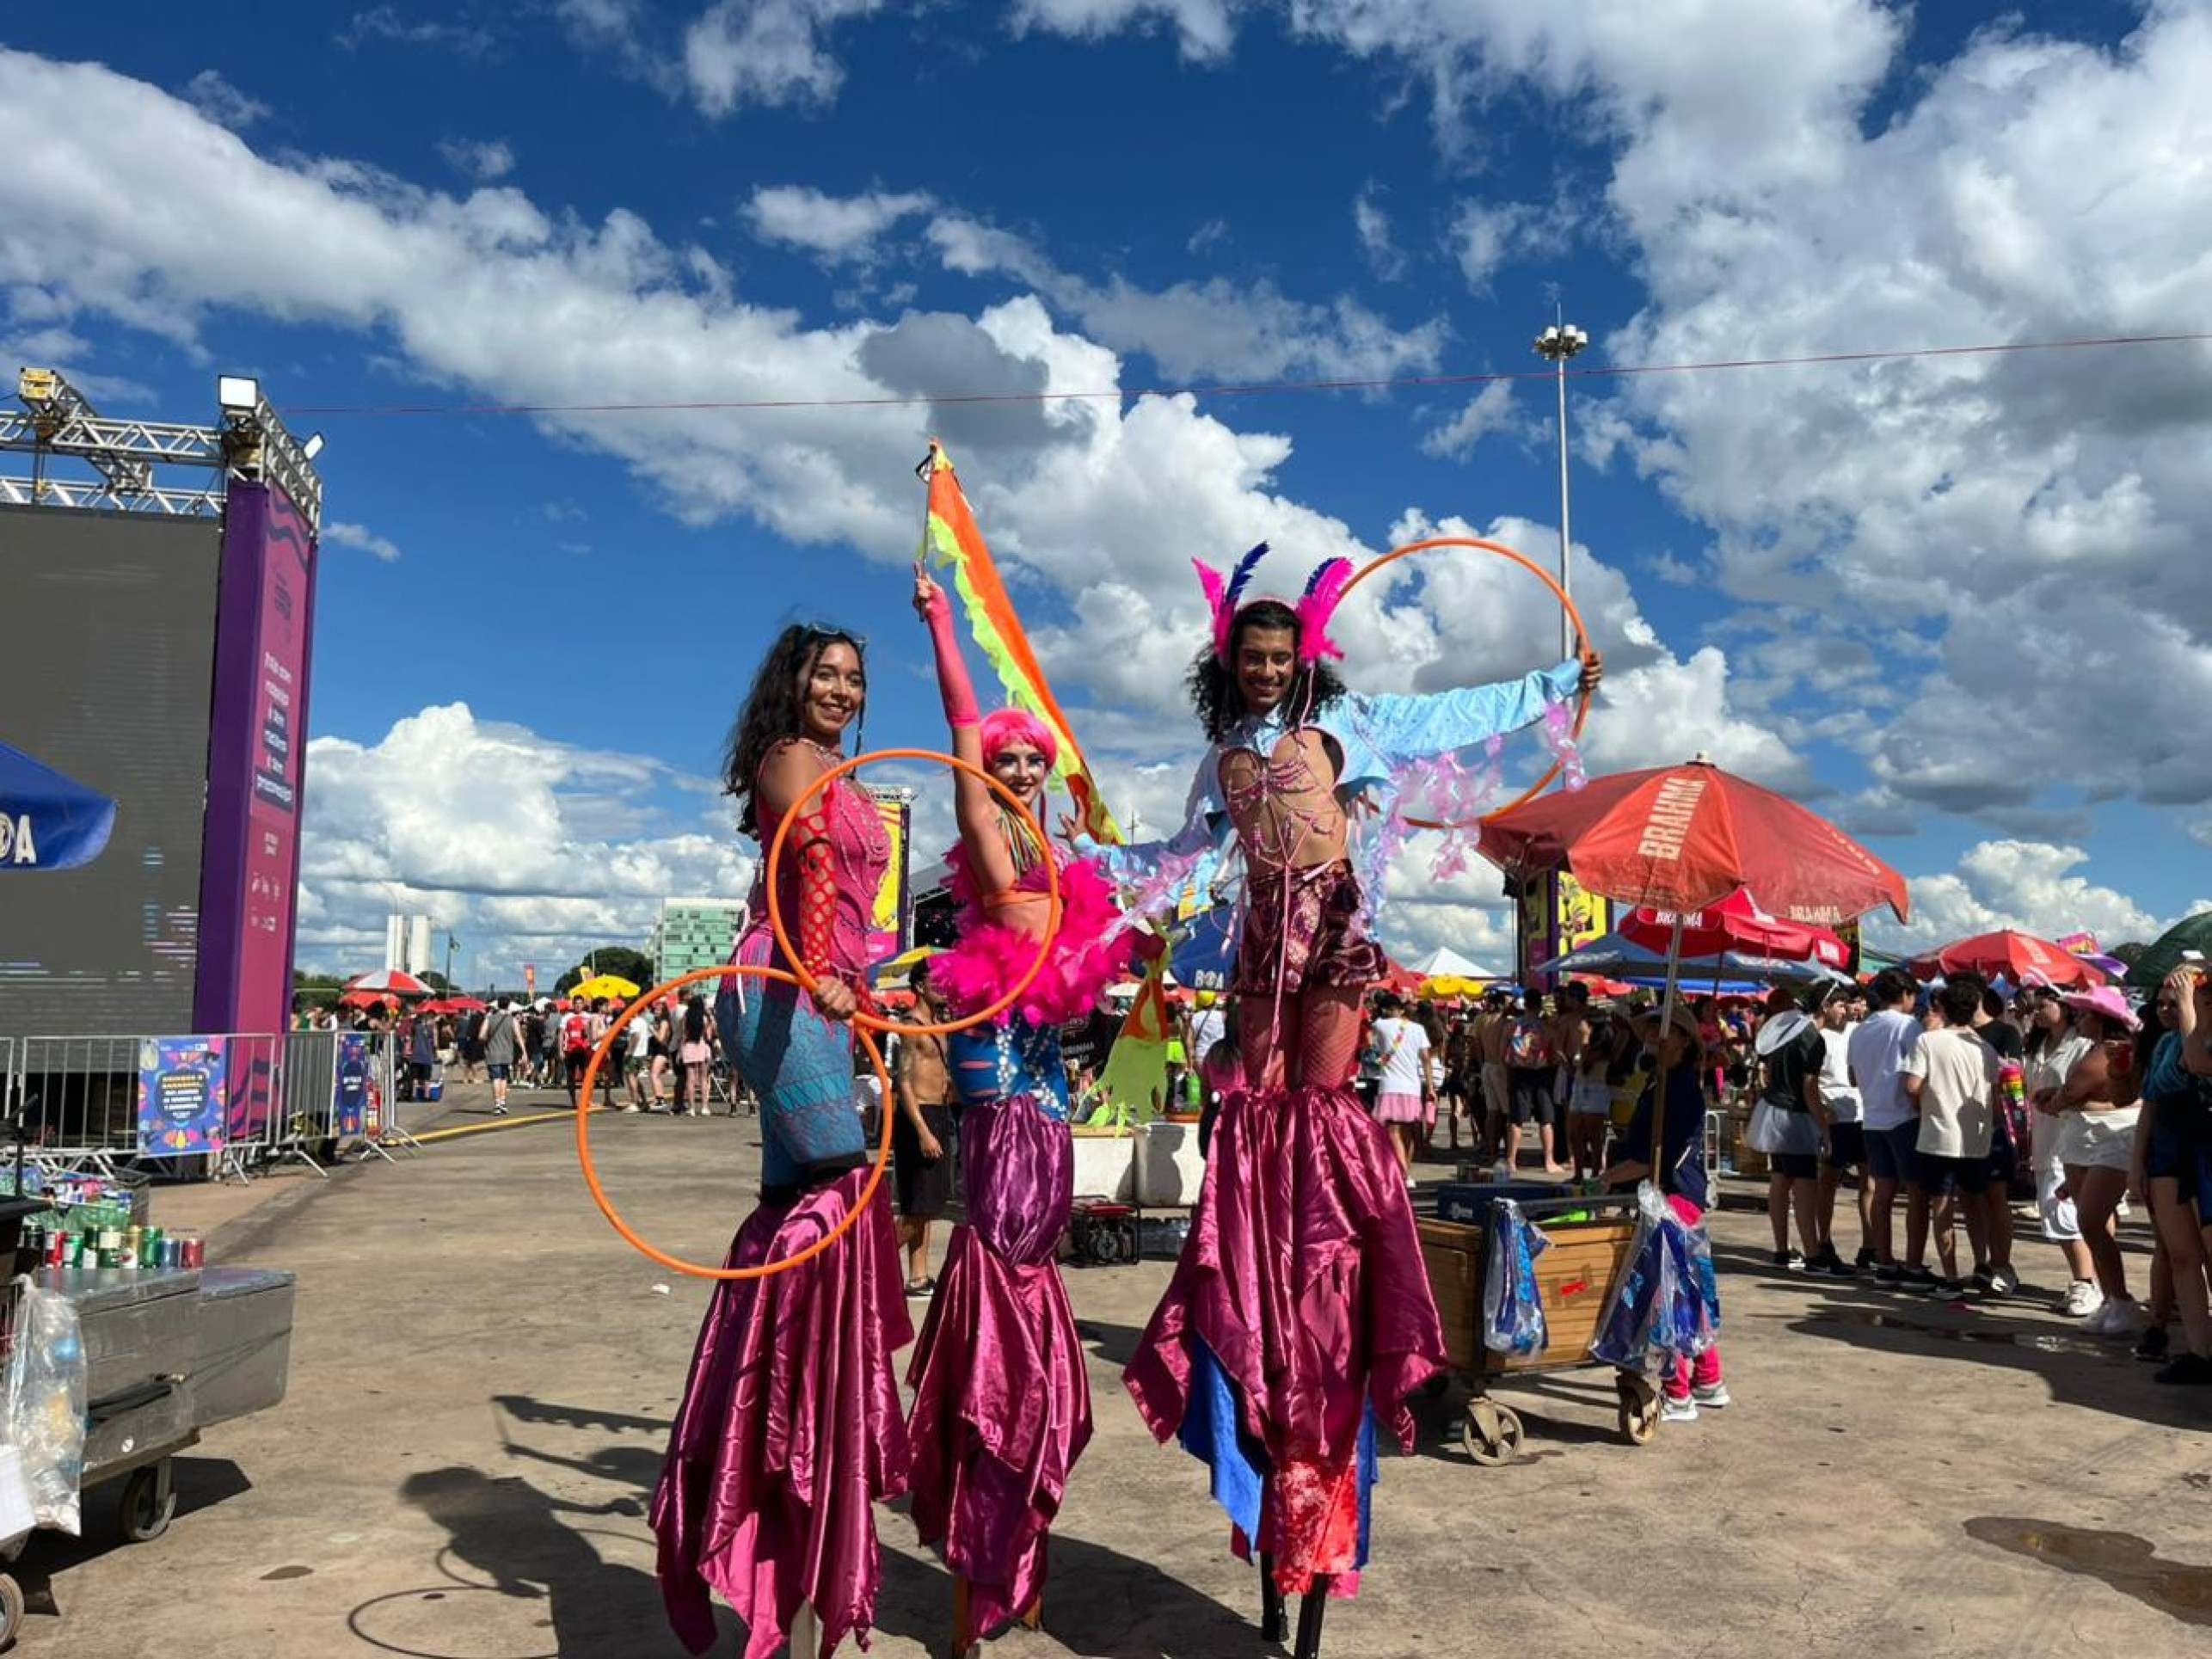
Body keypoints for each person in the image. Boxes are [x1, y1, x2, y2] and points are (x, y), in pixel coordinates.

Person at [1095, 544, 1601, 1651]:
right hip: (1257, 940)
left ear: (1304, 659)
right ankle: (1264, 1198)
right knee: (1260, 1098)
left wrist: (1559, 683)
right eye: (1253, 657)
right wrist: (1090, 860)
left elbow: (1453, 713)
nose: (1268, 670)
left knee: (1320, 1102)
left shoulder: (1349, 724)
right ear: (1228, 662)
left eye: (1282, 657)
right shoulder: (1220, 758)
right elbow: (1179, 857)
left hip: (1330, 925)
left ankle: (1325, 1196)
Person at [650, 623, 912, 1659]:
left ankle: (768, 1430)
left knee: (793, 1210)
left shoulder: (842, 772)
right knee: (842, 1193)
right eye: (824, 674)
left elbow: (848, 904)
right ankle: (799, 1419)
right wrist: (822, 972)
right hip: (784, 988)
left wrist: (861, 985)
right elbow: (808, 863)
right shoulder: (793, 761)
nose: (841, 689)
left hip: (819, 996)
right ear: (791, 685)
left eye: (854, 678)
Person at [903, 568, 1127, 1647]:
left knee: (1034, 1250)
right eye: (1008, 760)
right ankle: (986, 1475)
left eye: (1033, 758)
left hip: (1042, 1068)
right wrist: (944, 624)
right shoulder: (987, 827)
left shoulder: (1052, 845)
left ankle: (1019, 1519)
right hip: (996, 1065)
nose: (1023, 770)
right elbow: (959, 721)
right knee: (999, 1252)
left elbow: (1101, 937)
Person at [1603, 999, 1728, 1422]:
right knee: (1686, 1290)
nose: (1655, 1037)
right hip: (1660, 1192)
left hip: (1675, 1197)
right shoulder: (1660, 1082)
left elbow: (1660, 1154)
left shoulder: (1681, 1089)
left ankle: (1678, 1392)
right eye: (1652, 1029)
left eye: (1666, 1030)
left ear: (1683, 1041)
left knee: (1666, 1294)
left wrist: (1610, 1176)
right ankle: (1709, 1380)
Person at [2051, 986, 2146, 1336]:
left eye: (2085, 1014)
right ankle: (2112, 1300)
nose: (2078, 1019)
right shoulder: (2092, 1047)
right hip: (2084, 1140)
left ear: (2100, 1018)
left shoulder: (2111, 1050)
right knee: (2093, 1224)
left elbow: (2073, 1090)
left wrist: (2054, 1100)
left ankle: (2121, 1298)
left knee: (2090, 1220)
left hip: (2111, 1139)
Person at [2136, 965, 2212, 1384]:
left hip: (2204, 1144)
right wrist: (2137, 1164)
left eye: (2177, 1000)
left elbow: (2197, 1062)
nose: (2168, 1008)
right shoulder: (2166, 1042)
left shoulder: (2196, 1036)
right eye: (2161, 1003)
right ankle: (2199, 1352)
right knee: (2180, 1253)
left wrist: (2189, 1010)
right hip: (2169, 1148)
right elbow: (2150, 1101)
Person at [1900, 981, 2000, 1295]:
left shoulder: (1928, 1041)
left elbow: (1912, 1086)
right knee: (1975, 1203)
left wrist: (1926, 1098)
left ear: (1941, 1007)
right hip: (1976, 1138)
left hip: (1938, 1135)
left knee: (1942, 1206)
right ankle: (1982, 1264)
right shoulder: (1985, 1048)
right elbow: (1995, 1094)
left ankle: (1951, 1277)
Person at [2024, 988, 2107, 1318]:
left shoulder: (2083, 1045)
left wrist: (2057, 1097)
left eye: (2043, 1005)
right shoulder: (2039, 1044)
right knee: (2056, 1213)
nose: (2036, 1011)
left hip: (2075, 1140)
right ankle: (2089, 1281)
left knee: (2065, 1213)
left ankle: (2086, 1281)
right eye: (2034, 1006)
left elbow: (2086, 1091)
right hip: (2045, 1138)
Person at [1848, 968, 1931, 1288]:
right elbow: (1918, 1072)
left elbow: (1853, 1076)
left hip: (1872, 1118)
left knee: (1882, 1193)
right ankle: (1913, 1265)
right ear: (1906, 994)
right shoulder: (1908, 1026)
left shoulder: (1861, 1029)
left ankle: (1884, 1261)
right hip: (1904, 1116)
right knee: (1917, 1193)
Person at [1755, 986, 1828, 1270]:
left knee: (1780, 1178)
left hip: (1773, 1110)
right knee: (1804, 1184)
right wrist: (1824, 1126)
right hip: (1797, 1115)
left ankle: (1782, 1250)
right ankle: (1813, 1254)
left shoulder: (1781, 1033)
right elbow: (1810, 1089)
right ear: (1824, 1007)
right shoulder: (1811, 1038)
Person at [892, 962, 955, 1294]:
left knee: (927, 1204)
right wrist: (922, 1131)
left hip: (939, 1112)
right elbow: (903, 1082)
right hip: (918, 1116)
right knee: (917, 1206)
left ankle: (918, 1276)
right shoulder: (910, 1026)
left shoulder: (941, 1025)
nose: (943, 986)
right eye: (936, 981)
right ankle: (871, 1259)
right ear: (919, 986)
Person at [1963, 979, 2025, 1295]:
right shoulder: (1952, 1034)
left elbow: (2014, 1083)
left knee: (1996, 1197)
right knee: (1969, 1198)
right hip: (1961, 1128)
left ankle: (2002, 1264)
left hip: (1995, 1127)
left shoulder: (2005, 1033)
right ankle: (1981, 1264)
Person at [1810, 984, 1868, 1275]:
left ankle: (1871, 1245)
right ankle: (1823, 1241)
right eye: (1841, 1004)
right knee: (1828, 1183)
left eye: (1850, 1004)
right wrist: (1822, 1112)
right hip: (1833, 1116)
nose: (1848, 1010)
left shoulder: (1859, 1032)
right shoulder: (1817, 1036)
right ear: (1826, 1006)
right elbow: (1811, 1081)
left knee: (1870, 1183)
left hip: (1863, 1114)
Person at [1367, 993, 1435, 1178]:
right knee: (1408, 1132)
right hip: (1413, 1087)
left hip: (1390, 1086)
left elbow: (1369, 1041)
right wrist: (1430, 1087)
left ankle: (1403, 1173)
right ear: (1401, 1010)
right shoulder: (1418, 1028)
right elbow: (1426, 1059)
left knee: (1393, 1131)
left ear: (1384, 1010)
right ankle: (1406, 1171)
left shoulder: (1379, 1025)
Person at [1504, 997, 1564, 1176]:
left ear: (1525, 1006)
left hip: (1519, 1074)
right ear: (1539, 1006)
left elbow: (1503, 1054)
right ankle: (1549, 1161)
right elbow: (1555, 1055)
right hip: (1542, 1075)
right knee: (1546, 1120)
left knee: (1516, 1120)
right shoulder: (1547, 1027)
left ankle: (1511, 1161)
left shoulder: (1513, 1026)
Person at [1566, 1010, 1615, 1183]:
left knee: (1594, 1134)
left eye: (1583, 1022)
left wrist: (1585, 1038)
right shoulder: (1584, 1043)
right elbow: (1578, 1063)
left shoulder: (1601, 1046)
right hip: (1580, 1087)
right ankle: (1578, 1173)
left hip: (1596, 1089)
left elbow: (1585, 1060)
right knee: (1575, 1133)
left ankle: (1595, 1173)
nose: (1579, 1025)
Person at [482, 998, 523, 1116]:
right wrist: (524, 1052)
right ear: (508, 1006)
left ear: (497, 1005)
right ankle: (503, 1103)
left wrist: (488, 1040)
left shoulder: (489, 1019)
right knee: (504, 1078)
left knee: (496, 1078)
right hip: (507, 1053)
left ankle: (497, 1104)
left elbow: (481, 1035)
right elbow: (519, 1037)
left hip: (492, 1053)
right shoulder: (513, 1020)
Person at [677, 994, 714, 1117]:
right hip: (701, 1045)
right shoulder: (705, 1018)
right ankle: (704, 1107)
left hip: (689, 1046)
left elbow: (684, 1034)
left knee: (690, 1079)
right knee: (704, 1079)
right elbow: (708, 1036)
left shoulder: (686, 1016)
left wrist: (680, 1051)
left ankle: (691, 1108)